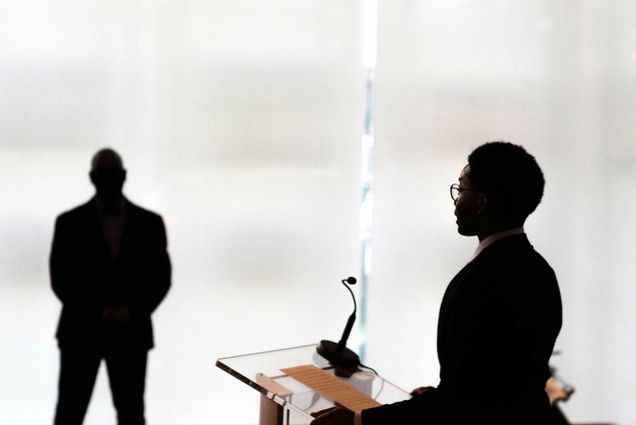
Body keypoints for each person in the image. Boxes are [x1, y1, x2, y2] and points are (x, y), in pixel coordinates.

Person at [312, 142, 562, 425]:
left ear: (482, 200)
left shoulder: (483, 281)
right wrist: (443, 395)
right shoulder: (539, 271)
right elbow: (496, 384)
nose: (456, 200)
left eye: (461, 188)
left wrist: (357, 420)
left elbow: (464, 400)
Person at [50, 148, 171, 425]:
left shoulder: (147, 223)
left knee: (125, 413)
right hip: (100, 332)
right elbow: (61, 279)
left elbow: (160, 278)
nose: (108, 179)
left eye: (111, 173)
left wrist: (121, 312)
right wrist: (126, 312)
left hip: (92, 330)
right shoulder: (70, 223)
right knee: (73, 412)